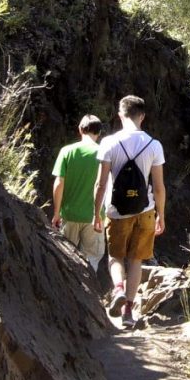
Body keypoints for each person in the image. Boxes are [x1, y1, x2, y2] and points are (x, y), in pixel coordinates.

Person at [96, 95, 167, 325]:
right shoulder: (154, 145)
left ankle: (118, 289)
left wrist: (96, 212)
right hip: (145, 210)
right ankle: (128, 312)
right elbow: (158, 187)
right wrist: (161, 215)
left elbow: (101, 183)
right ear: (142, 116)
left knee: (116, 256)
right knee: (136, 260)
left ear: (120, 115)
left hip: (117, 211)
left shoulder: (108, 142)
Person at [49, 114, 106, 276]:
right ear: (99, 133)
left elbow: (59, 183)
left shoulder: (67, 151)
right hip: (95, 217)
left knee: (66, 257)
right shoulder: (104, 153)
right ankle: (90, 292)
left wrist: (56, 213)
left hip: (69, 214)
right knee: (92, 259)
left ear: (80, 129)